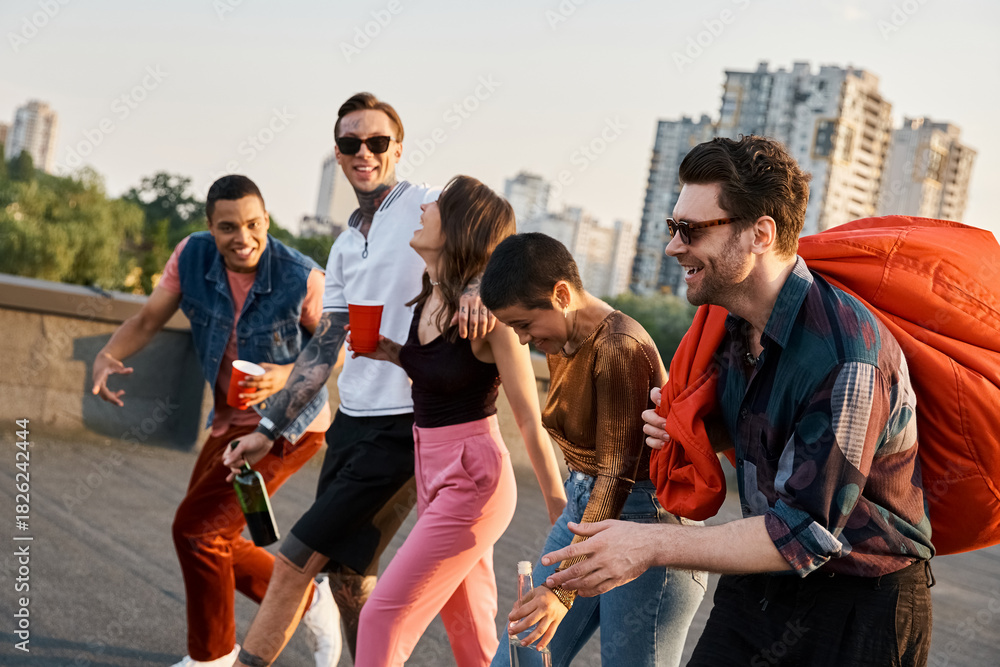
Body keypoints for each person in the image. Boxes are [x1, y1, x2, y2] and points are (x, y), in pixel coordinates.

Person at [543, 136, 936, 666]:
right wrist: (695, 432)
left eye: (691, 230)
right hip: (760, 586)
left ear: (760, 234)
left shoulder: (846, 357)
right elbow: (772, 437)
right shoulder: (731, 327)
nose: (673, 246)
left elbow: (805, 533)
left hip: (857, 607)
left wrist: (648, 544)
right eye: (671, 227)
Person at [222, 93, 495, 667]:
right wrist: (269, 429)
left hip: (406, 425)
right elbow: (325, 346)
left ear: (397, 148)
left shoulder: (427, 205)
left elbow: (493, 229)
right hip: (351, 422)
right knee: (349, 576)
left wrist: (476, 286)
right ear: (339, 153)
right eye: (350, 143)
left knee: (299, 554)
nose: (362, 152)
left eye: (376, 142)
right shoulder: (345, 244)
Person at [90, 174, 341, 667]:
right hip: (229, 422)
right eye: (228, 227)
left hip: (289, 427)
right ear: (210, 226)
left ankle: (212, 657)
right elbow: (146, 320)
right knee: (210, 535)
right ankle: (306, 599)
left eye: (252, 224)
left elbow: (338, 348)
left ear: (266, 220)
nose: (242, 237)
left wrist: (287, 375)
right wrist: (107, 354)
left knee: (197, 532)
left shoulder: (301, 276)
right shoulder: (191, 256)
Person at [347, 175, 566, 666]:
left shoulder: (487, 317)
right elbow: (437, 370)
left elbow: (530, 419)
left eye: (438, 205)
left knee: (382, 614)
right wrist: (390, 352)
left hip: (474, 480)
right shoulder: (431, 296)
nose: (425, 208)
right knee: (468, 631)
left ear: (460, 227)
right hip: (432, 471)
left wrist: (560, 508)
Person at [479, 233, 707, 666]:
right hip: (586, 510)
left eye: (525, 325)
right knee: (520, 658)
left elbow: (618, 474)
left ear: (562, 294)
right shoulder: (564, 337)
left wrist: (562, 591)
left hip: (644, 522)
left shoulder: (618, 346)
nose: (523, 341)